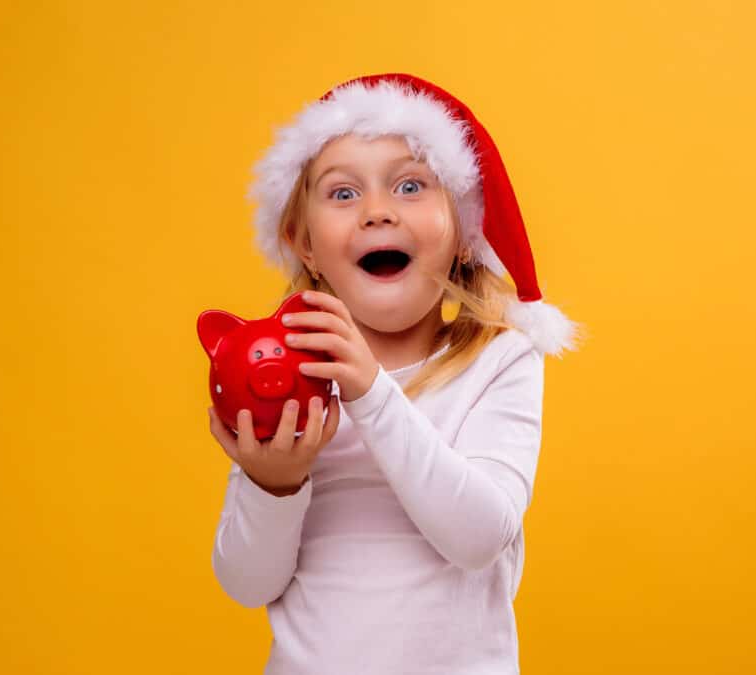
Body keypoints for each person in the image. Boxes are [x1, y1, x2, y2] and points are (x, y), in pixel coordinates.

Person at [206, 73, 582, 674]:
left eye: (410, 186)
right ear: (303, 243)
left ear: (464, 231)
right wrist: (273, 484)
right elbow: (247, 583)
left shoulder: (499, 360)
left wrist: (372, 395)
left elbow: (480, 536)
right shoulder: (288, 370)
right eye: (343, 193)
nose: (378, 212)